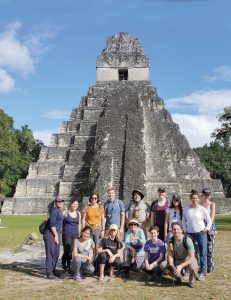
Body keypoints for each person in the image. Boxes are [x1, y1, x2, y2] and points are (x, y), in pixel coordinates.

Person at [182, 190, 212, 281]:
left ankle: (202, 272)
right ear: (190, 199)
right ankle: (187, 271)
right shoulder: (186, 209)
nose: (194, 199)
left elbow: (209, 220)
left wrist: (206, 229)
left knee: (203, 253)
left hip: (201, 233)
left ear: (198, 199)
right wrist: (185, 230)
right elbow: (183, 220)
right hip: (190, 234)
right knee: (189, 253)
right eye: (193, 198)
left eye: (196, 198)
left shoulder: (202, 209)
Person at [160, 222, 198, 288]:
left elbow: (192, 257)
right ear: (172, 231)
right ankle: (177, 277)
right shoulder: (171, 241)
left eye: (178, 229)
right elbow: (170, 254)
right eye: (174, 229)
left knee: (193, 267)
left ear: (181, 230)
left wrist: (181, 266)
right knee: (163, 265)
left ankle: (191, 280)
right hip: (178, 260)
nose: (176, 231)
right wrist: (172, 266)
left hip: (188, 260)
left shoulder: (187, 240)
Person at [43, 195, 64, 279]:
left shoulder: (59, 210)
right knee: (50, 252)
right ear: (55, 203)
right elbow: (52, 224)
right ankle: (49, 272)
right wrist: (55, 235)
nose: (61, 203)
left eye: (62, 201)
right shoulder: (54, 210)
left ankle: (53, 269)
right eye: (59, 201)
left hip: (56, 233)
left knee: (56, 252)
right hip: (50, 233)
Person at [62, 199, 81, 274]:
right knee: (67, 251)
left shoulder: (78, 213)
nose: (75, 206)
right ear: (71, 204)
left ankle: (69, 266)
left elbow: (79, 224)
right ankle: (65, 265)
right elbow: (60, 219)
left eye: (76, 204)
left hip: (75, 234)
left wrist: (79, 233)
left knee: (73, 250)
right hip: (67, 233)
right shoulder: (66, 212)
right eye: (74, 204)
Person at [200, 188, 216, 274]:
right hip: (201, 227)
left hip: (210, 227)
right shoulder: (200, 204)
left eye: (208, 195)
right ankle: (203, 267)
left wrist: (207, 228)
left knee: (210, 248)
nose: (206, 196)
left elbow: (212, 217)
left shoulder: (212, 204)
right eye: (205, 194)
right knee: (202, 248)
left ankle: (210, 267)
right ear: (202, 195)